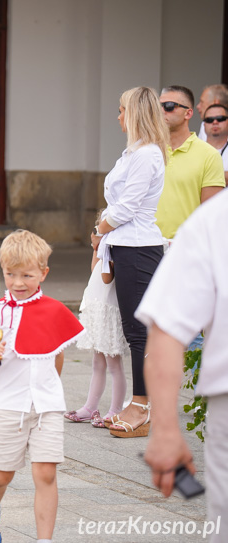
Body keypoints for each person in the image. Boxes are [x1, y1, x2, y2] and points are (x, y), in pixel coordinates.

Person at [0, 230, 82, 543]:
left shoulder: (56, 310)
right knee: (1, 475)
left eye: (27, 275)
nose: (18, 283)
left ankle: (44, 540)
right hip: (8, 403)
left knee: (46, 473)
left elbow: (56, 357)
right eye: (10, 275)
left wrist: (48, 390)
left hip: (47, 405)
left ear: (43, 273)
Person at [138, 190, 228, 541]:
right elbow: (167, 328)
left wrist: (165, 431)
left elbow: (166, 329)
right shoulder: (215, 219)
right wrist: (164, 430)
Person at [89, 86, 167, 438]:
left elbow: (127, 207)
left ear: (134, 113)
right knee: (132, 330)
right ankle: (140, 403)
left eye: (122, 110)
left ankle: (142, 404)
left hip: (137, 246)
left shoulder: (147, 154)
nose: (118, 116)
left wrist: (99, 229)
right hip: (123, 245)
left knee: (139, 332)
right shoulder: (132, 153)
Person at [63, 212, 129, 428]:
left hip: (108, 312)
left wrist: (103, 248)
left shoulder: (114, 250)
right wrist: (95, 249)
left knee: (113, 364)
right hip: (97, 309)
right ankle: (90, 407)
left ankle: (115, 410)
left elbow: (106, 276)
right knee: (97, 363)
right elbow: (94, 271)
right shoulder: (102, 250)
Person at [155, 85, 225, 242]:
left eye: (169, 106)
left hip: (184, 247)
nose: (162, 111)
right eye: (158, 106)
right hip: (145, 247)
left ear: (188, 113)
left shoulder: (209, 155)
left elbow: (211, 214)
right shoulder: (147, 150)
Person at [202, 102, 228, 185]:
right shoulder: (193, 149)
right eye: (209, 120)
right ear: (204, 124)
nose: (215, 122)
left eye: (220, 118)